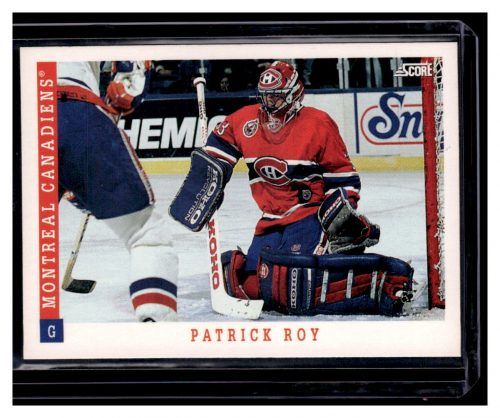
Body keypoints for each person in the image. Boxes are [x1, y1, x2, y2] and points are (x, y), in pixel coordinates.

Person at [170, 61, 413, 317]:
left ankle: (356, 240)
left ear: (294, 94)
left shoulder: (318, 123)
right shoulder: (245, 120)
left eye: (276, 96)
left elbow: (343, 176)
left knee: (293, 285)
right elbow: (217, 147)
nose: (269, 102)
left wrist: (339, 213)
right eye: (265, 96)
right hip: (270, 219)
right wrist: (208, 178)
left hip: (309, 216)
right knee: (256, 286)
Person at [57, 61, 178, 322]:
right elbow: (131, 74)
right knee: (146, 234)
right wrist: (124, 93)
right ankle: (157, 326)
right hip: (76, 112)